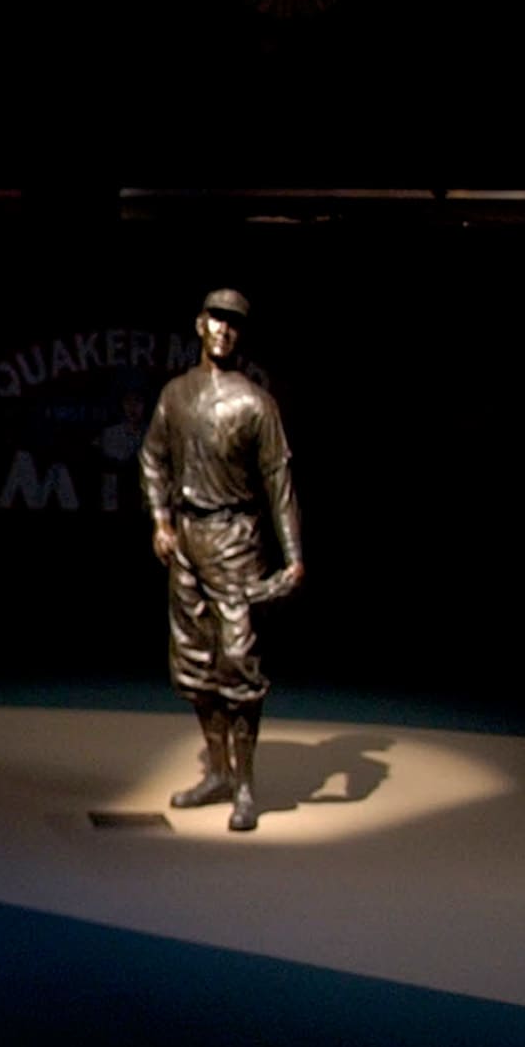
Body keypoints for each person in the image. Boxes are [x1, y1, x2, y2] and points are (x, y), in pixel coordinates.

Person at [139, 288, 304, 832]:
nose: (224, 330)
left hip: (236, 543)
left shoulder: (256, 403)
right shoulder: (176, 394)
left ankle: (246, 786)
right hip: (187, 538)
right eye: (217, 319)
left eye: (234, 323)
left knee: (238, 665)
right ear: (199, 323)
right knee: (194, 665)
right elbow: (153, 458)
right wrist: (161, 522)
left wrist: (293, 557)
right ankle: (217, 771)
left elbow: (279, 483)